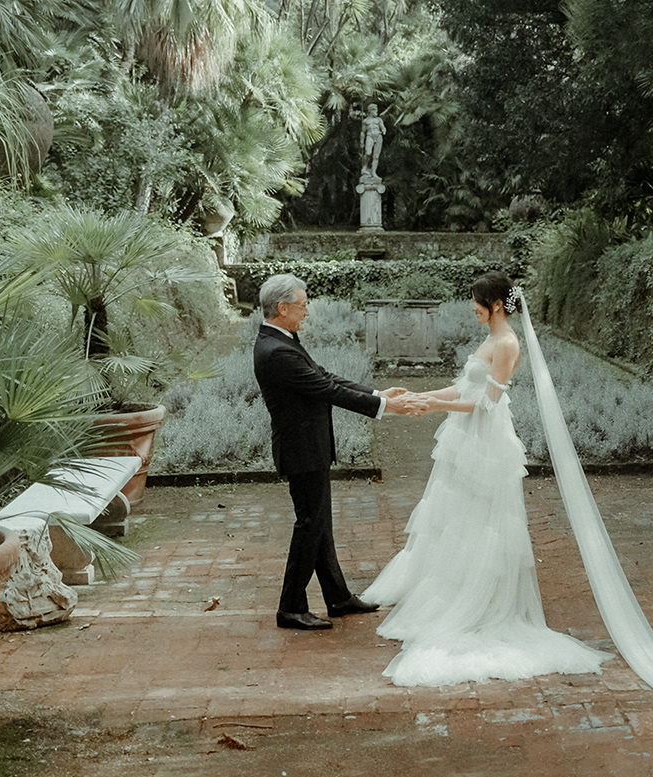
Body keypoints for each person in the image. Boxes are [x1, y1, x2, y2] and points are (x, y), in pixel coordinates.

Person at [361, 271, 611, 685]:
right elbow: (464, 388)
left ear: (496, 304)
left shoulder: (507, 343)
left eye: (477, 301)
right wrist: (421, 397)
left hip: (487, 442)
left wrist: (434, 407)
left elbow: (487, 404)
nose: (471, 307)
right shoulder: (489, 339)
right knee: (457, 515)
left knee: (482, 520)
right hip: (466, 439)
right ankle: (453, 586)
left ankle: (477, 599)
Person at [253, 274, 422, 632]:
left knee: (319, 525)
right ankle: (290, 607)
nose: (307, 312)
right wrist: (385, 406)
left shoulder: (281, 340)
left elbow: (324, 376)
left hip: (308, 448)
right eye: (303, 305)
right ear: (282, 308)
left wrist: (378, 393)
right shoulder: (276, 351)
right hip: (301, 450)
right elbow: (326, 389)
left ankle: (338, 598)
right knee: (310, 525)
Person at [361, 103, 386, 179]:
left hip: (378, 136)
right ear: (370, 111)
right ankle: (364, 168)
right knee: (368, 153)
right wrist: (361, 142)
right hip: (370, 136)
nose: (377, 111)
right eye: (375, 110)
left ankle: (373, 172)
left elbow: (383, 127)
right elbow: (362, 132)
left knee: (376, 156)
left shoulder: (378, 120)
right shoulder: (365, 121)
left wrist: (384, 130)